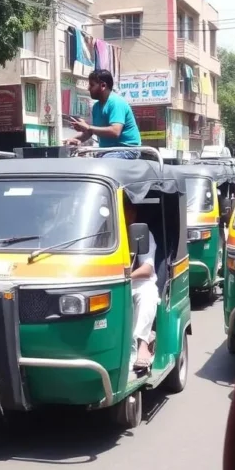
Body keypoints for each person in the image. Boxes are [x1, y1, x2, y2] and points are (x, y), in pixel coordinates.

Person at [65, 69, 142, 159]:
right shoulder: (96, 107)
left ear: (103, 85)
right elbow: (91, 132)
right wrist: (76, 139)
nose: (88, 88)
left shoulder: (116, 102)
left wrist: (88, 127)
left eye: (92, 85)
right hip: (107, 151)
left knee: (103, 164)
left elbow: (115, 131)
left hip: (127, 149)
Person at [124, 198, 160, 369]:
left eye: (129, 210)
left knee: (148, 293)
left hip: (136, 282)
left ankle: (142, 344)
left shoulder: (142, 235)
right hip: (107, 283)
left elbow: (147, 268)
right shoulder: (101, 235)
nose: (126, 214)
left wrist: (125, 277)